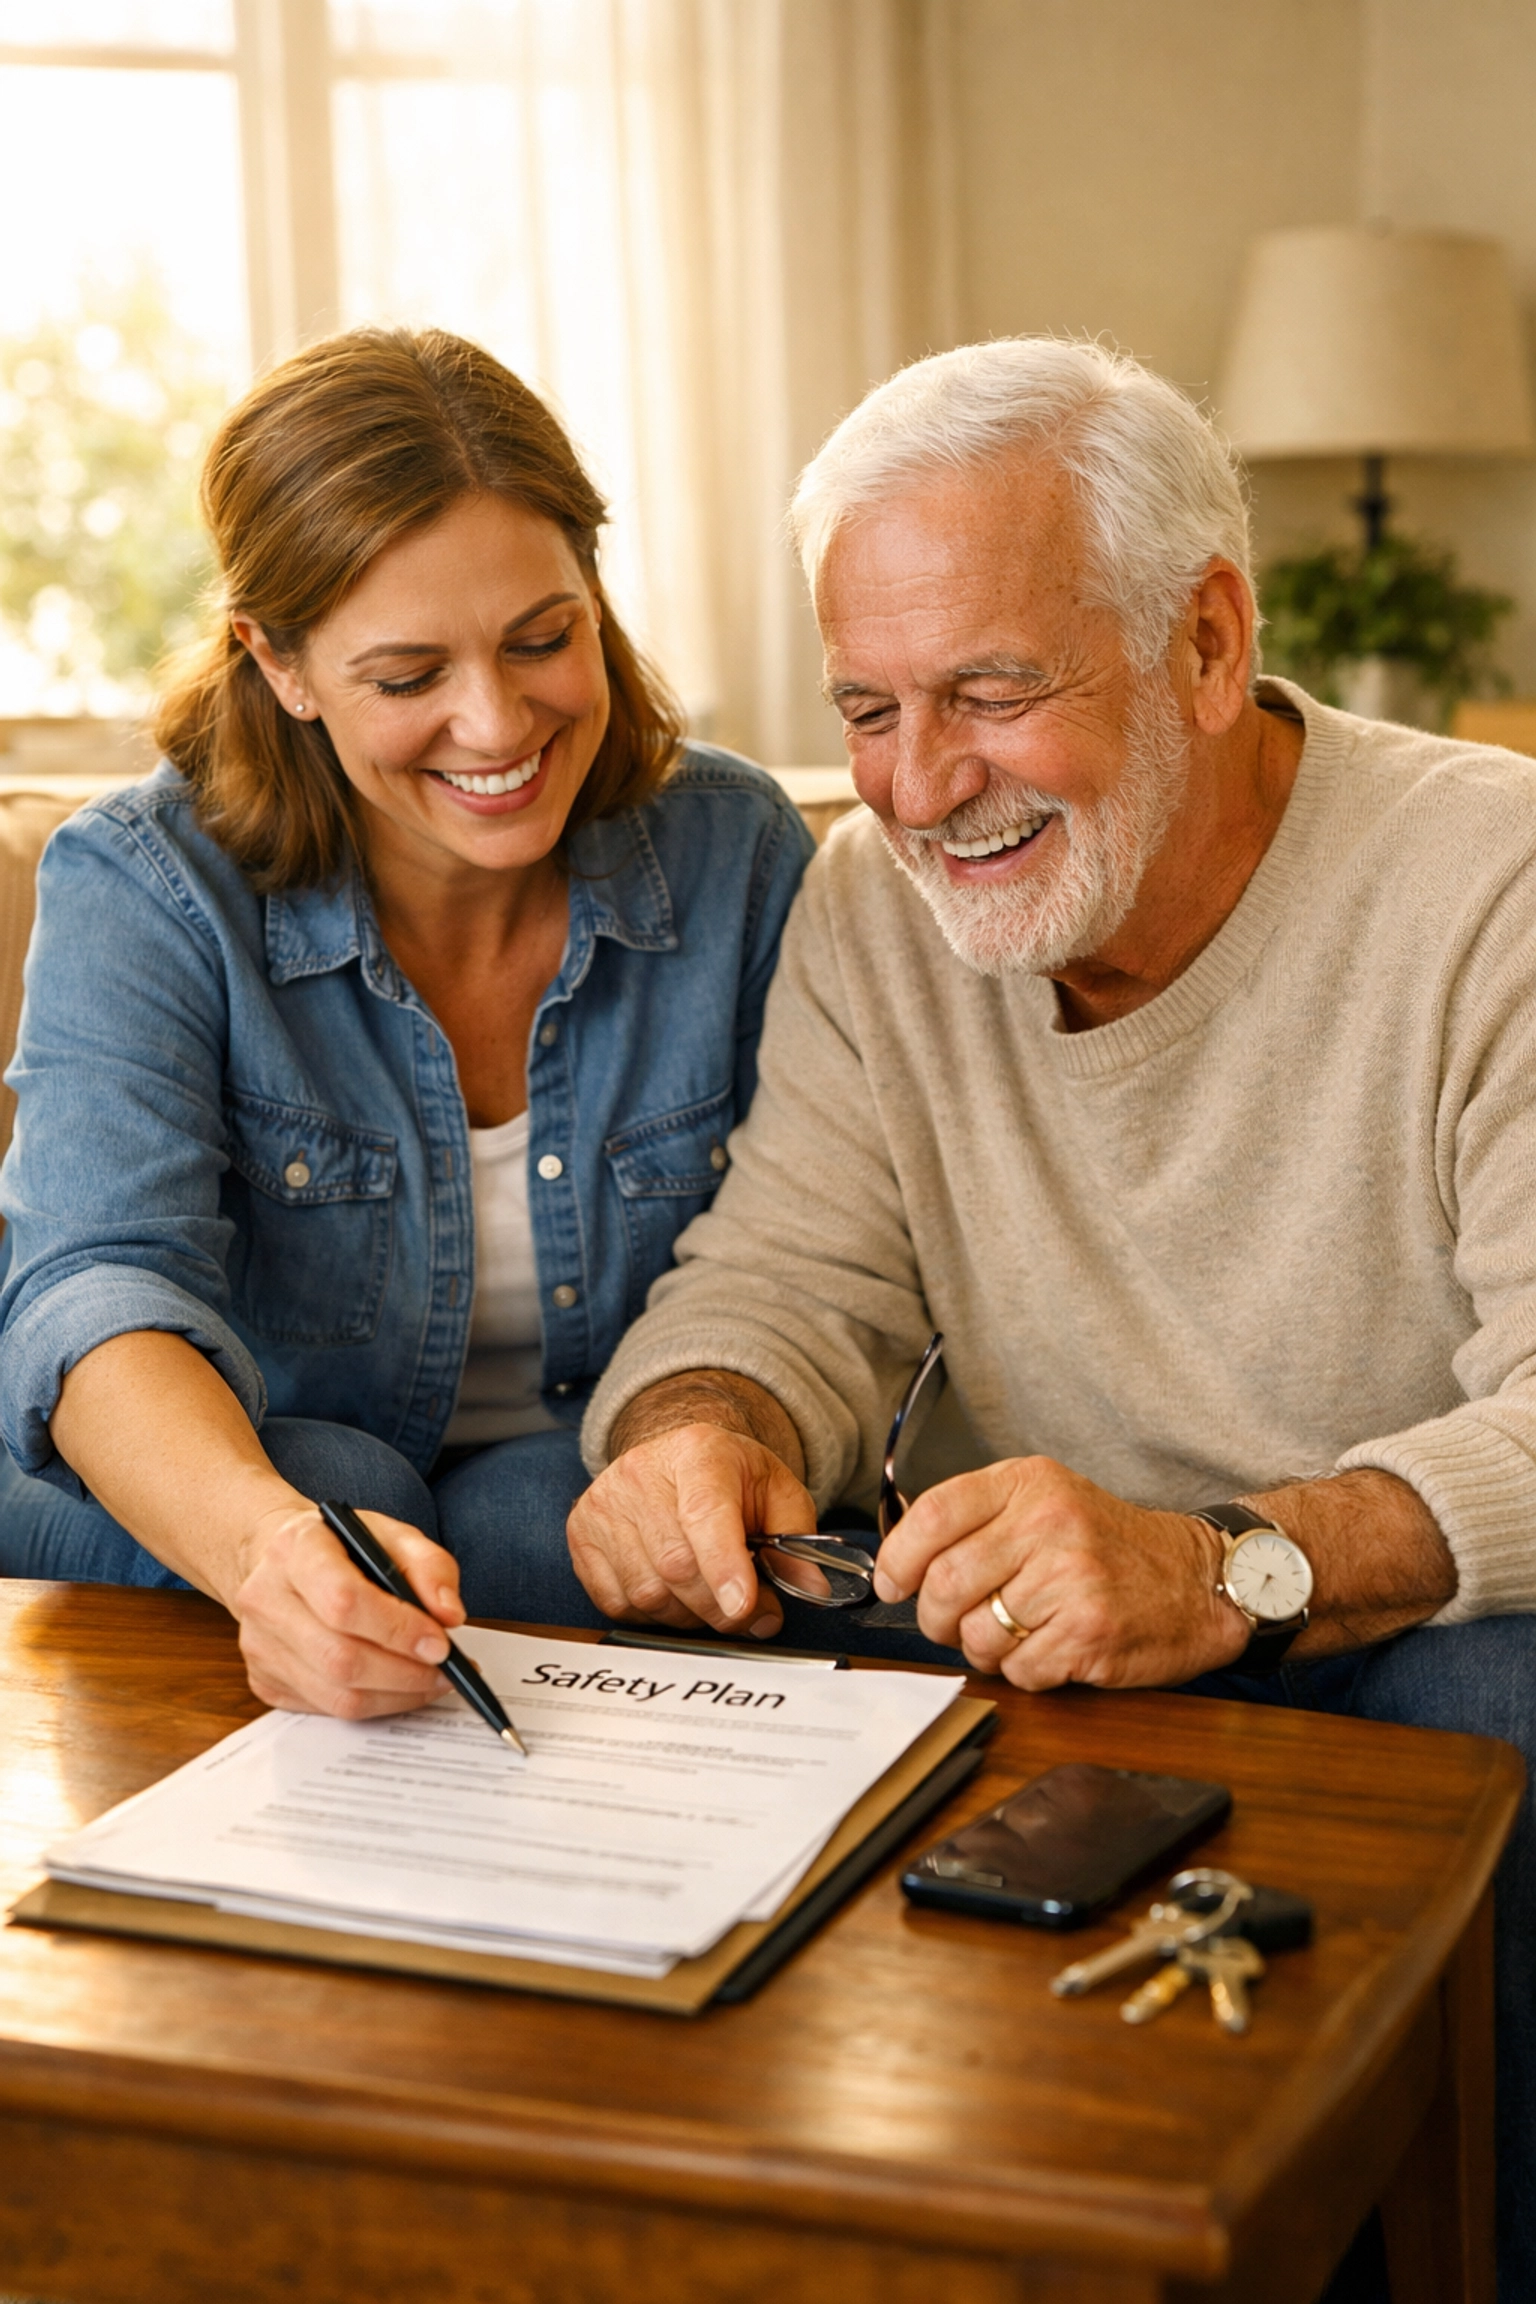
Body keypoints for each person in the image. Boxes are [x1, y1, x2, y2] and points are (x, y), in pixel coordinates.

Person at [556, 339, 1536, 2293]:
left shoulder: (1490, 881)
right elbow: (786, 1279)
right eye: (870, 710)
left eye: (992, 694)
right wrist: (700, 1432)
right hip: (1033, 1643)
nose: (922, 788)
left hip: (1386, 1622)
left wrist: (1220, 1565)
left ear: (1206, 640)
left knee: (1509, 1714)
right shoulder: (871, 903)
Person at [0, 325, 813, 1726]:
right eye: (407, 677)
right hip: (212, 1477)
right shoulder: (145, 883)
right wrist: (265, 1550)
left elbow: (812, 1249)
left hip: (555, 1477)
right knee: (343, 1488)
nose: (496, 725)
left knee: (534, 1517)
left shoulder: (733, 852)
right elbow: (97, 1290)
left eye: (543, 639)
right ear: (281, 663)